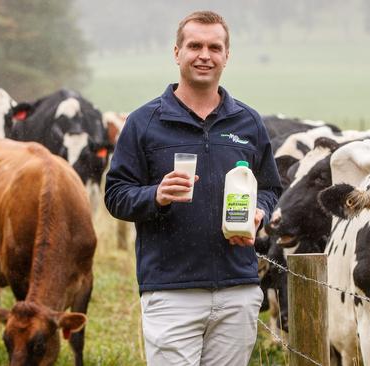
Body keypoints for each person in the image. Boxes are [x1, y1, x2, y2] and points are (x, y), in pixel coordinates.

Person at [104, 10, 282, 366]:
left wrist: (259, 212)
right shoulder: (144, 122)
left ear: (226, 56)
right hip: (171, 291)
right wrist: (155, 195)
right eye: (194, 45)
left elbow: (270, 187)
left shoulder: (247, 122)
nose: (204, 55)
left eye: (214, 47)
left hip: (238, 289)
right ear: (176, 52)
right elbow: (115, 194)